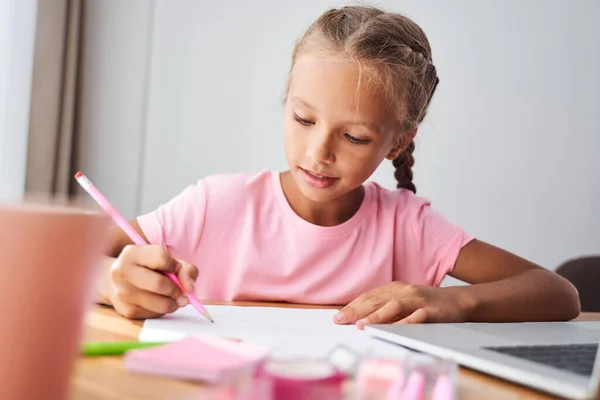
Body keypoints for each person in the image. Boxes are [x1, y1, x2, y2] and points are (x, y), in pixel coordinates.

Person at [96, 5, 580, 328]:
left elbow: (559, 294)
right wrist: (113, 282)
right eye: (304, 119)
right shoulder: (215, 205)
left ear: (398, 140)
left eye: (355, 137)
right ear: (286, 102)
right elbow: (75, 258)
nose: (319, 152)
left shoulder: (407, 227)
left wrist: (454, 301)